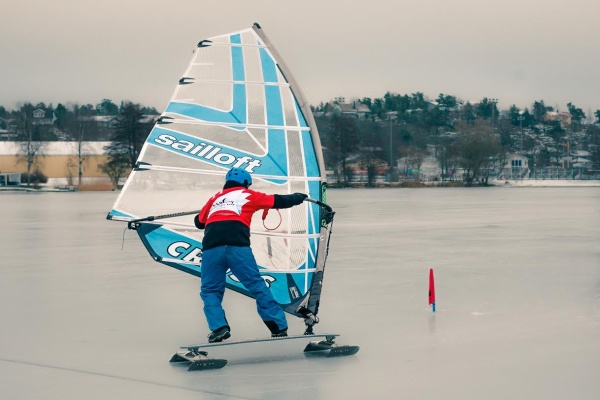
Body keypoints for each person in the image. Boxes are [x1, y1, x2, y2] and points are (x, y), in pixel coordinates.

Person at [194, 167, 307, 343]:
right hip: (237, 248)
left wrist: (213, 210)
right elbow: (278, 201)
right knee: (256, 286)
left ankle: (219, 328)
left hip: (211, 250)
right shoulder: (249, 195)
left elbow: (199, 223)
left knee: (210, 290)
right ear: (246, 183)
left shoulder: (215, 198)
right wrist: (299, 198)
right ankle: (278, 328)